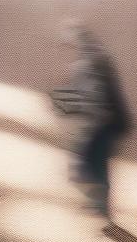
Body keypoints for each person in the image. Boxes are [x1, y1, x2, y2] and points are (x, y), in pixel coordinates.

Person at [51, 22, 131, 220]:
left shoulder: (87, 67)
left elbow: (91, 99)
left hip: (106, 124)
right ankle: (100, 205)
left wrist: (66, 102)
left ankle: (100, 205)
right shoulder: (99, 61)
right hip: (111, 121)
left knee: (88, 164)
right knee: (95, 163)